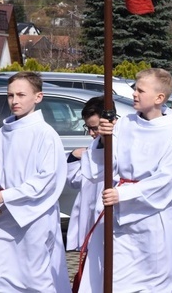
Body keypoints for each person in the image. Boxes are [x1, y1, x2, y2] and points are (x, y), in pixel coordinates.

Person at [77, 68, 172, 293]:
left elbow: (166, 181)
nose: (134, 94)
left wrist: (124, 194)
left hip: (153, 220)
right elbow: (104, 166)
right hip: (119, 217)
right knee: (116, 280)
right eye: (134, 89)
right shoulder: (125, 123)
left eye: (140, 90)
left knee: (152, 282)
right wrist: (103, 140)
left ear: (159, 98)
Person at [0, 71, 70, 292]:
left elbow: (47, 179)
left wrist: (5, 195)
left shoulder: (45, 134)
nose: (14, 101)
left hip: (32, 217)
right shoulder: (4, 132)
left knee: (32, 278)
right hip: (2, 216)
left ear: (38, 97)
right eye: (10, 95)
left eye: (21, 95)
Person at [66, 95, 106, 252]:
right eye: (88, 128)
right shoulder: (92, 147)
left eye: (95, 128)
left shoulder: (122, 147)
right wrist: (73, 157)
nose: (91, 133)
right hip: (89, 217)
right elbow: (76, 181)